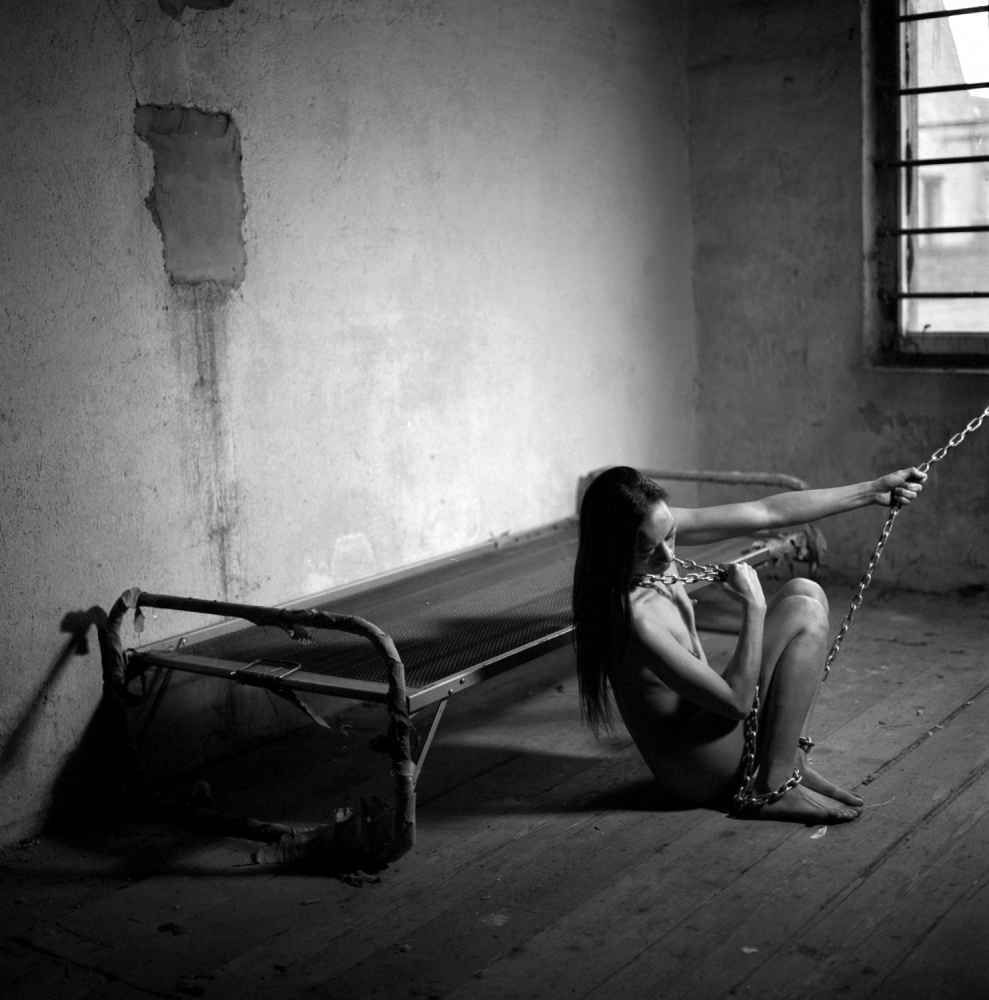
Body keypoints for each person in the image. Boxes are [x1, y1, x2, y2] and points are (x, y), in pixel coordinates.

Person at [572, 465, 927, 824]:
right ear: (613, 549)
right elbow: (737, 703)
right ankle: (771, 785)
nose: (666, 557)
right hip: (696, 767)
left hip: (710, 725)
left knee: (806, 591)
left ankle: (789, 763)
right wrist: (753, 606)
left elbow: (767, 511)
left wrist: (871, 491)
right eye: (648, 550)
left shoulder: (652, 529)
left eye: (672, 535)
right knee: (803, 613)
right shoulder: (633, 618)